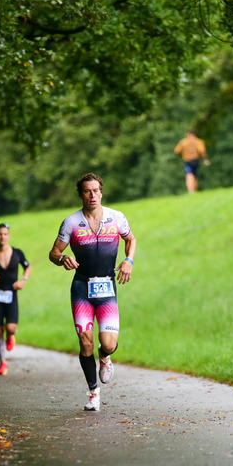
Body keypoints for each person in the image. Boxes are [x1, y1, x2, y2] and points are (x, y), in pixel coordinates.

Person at [49, 172, 136, 411]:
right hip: (81, 288)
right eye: (87, 191)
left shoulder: (116, 217)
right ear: (80, 195)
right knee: (85, 343)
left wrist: (128, 260)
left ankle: (105, 357)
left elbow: (131, 239)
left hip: (107, 287)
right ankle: (93, 393)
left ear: (101, 192)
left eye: (96, 190)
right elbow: (53, 253)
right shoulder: (70, 222)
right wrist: (62, 259)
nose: (92, 195)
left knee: (107, 344)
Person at [0, 223, 32, 376]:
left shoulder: (17, 253)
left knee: (10, 328)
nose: (2, 236)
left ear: (8, 236)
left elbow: (27, 267)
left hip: (11, 294)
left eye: (5, 234)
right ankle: (2, 362)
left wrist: (23, 280)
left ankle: (11, 336)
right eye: (0, 234)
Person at [173, 129, 211, 194]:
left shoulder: (183, 142)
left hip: (188, 160)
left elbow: (176, 151)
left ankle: (191, 191)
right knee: (194, 175)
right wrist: (205, 159)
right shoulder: (198, 141)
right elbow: (202, 151)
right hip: (196, 160)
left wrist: (182, 154)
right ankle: (194, 191)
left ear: (187, 134)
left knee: (189, 175)